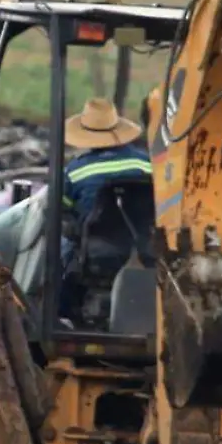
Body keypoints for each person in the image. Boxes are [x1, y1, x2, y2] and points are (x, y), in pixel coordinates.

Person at [58, 97, 154, 321]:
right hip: (142, 249)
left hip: (94, 254)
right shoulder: (146, 164)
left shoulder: (75, 171)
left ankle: (63, 315)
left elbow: (63, 212)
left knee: (59, 259)